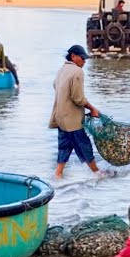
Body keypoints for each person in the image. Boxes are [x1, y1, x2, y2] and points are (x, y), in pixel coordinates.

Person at [50, 45, 102, 179]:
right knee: (84, 145)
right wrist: (93, 109)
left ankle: (57, 176)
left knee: (64, 146)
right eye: (82, 58)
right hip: (72, 120)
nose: (84, 62)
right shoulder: (77, 71)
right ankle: (97, 173)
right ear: (73, 56)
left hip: (60, 117)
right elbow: (78, 98)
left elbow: (55, 85)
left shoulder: (61, 69)